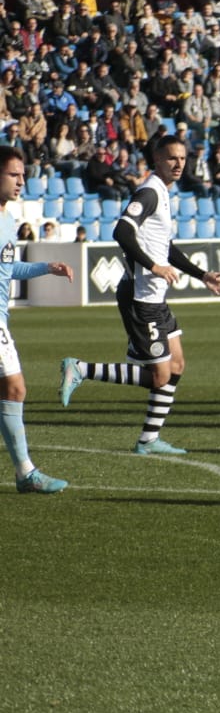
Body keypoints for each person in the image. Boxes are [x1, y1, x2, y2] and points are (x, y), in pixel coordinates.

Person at [59, 135, 220, 455]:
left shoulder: (165, 194)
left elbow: (165, 247)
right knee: (159, 376)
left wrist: (202, 275)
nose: (179, 163)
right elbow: (121, 231)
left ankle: (149, 440)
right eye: (172, 158)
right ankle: (81, 369)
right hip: (141, 297)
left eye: (182, 158)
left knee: (177, 365)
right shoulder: (150, 192)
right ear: (157, 160)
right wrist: (153, 266)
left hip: (155, 297)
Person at [0, 145, 74, 493]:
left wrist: (47, 267)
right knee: (15, 387)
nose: (21, 181)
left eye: (23, 175)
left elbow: (8, 268)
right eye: (14, 174)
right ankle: (25, 473)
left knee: (12, 389)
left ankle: (24, 474)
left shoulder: (7, 220)